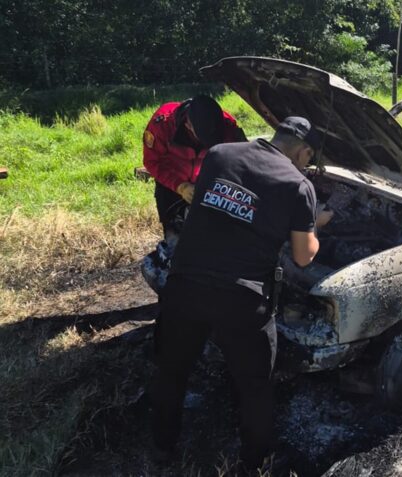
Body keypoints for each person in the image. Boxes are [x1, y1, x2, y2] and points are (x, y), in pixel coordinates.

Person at [148, 116, 333, 471]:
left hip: (185, 284)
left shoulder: (219, 154)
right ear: (304, 151)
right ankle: (254, 463)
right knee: (254, 387)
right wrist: (316, 221)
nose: (308, 165)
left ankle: (161, 448)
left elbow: (219, 208)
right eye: (309, 158)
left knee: (171, 370)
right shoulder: (298, 186)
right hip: (242, 300)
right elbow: (303, 256)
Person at [140, 95, 246, 292]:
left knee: (214, 239)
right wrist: (180, 186)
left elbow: (241, 158)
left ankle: (207, 288)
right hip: (171, 186)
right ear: (188, 125)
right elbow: (152, 162)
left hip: (210, 183)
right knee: (176, 242)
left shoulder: (227, 125)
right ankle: (176, 293)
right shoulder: (162, 124)